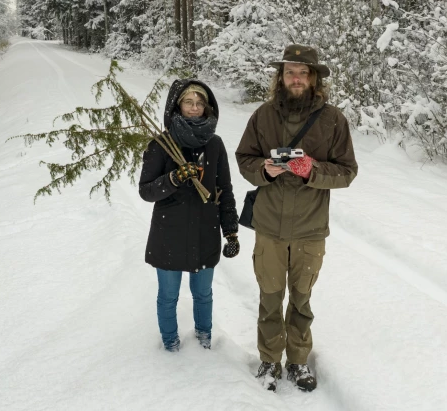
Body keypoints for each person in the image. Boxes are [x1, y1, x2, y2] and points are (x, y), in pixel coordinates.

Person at [235, 44, 358, 392]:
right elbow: (245, 158)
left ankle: (298, 361)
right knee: (270, 297)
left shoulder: (333, 119)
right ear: (281, 76)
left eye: (304, 73)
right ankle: (270, 361)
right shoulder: (263, 116)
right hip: (270, 227)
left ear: (315, 78)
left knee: (301, 299)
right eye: (290, 72)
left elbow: (348, 172)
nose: (297, 78)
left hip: (310, 229)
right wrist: (264, 169)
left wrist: (312, 170)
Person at [139, 79, 239, 352]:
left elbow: (225, 190)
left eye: (199, 103)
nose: (194, 108)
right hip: (168, 232)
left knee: (203, 294)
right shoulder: (161, 143)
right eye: (188, 102)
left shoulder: (215, 144)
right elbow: (146, 191)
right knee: (168, 296)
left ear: (207, 108)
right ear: (177, 106)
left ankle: (203, 339)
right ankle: (170, 343)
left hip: (205, 231)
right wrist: (172, 179)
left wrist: (230, 230)